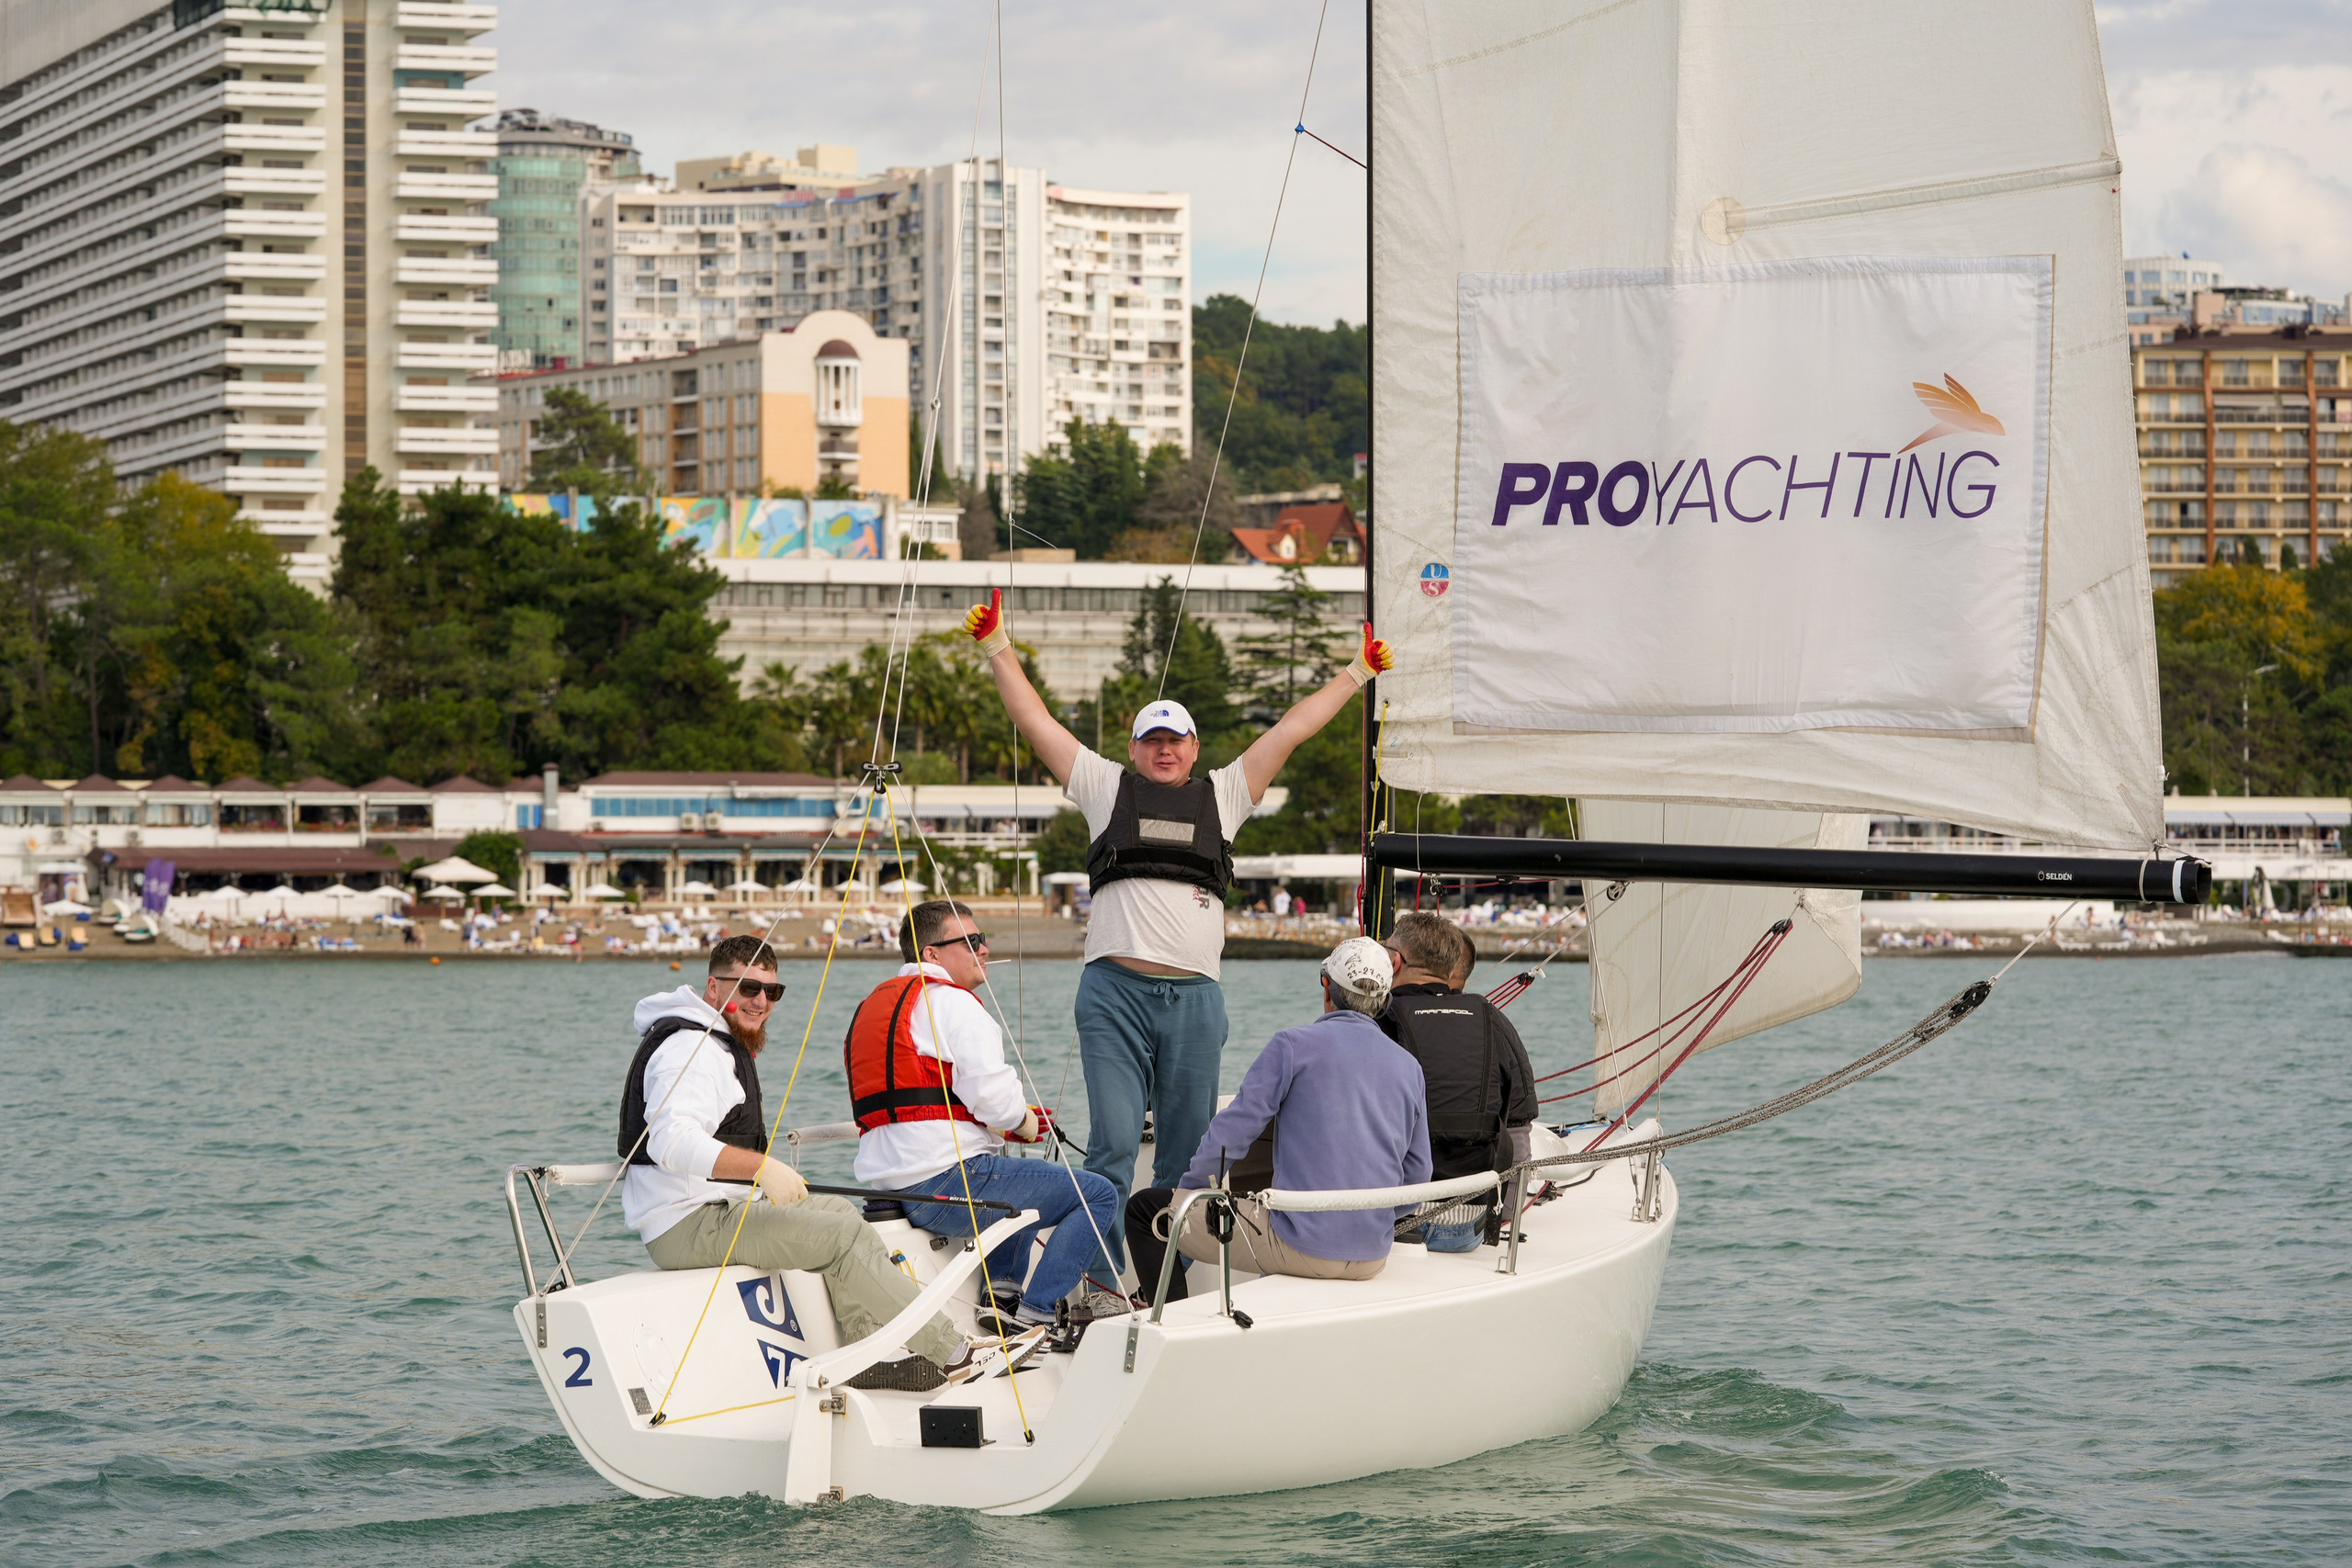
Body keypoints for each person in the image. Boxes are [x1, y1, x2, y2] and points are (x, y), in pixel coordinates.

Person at [962, 585, 1394, 1263]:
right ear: (1134, 750)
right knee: (1109, 1143)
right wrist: (997, 647)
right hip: (1114, 996)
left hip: (1194, 1001)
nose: (1165, 750)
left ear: (1195, 749)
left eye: (1176, 739)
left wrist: (1356, 674)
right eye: (1152, 739)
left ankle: (1166, 1281)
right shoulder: (1105, 787)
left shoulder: (1225, 793)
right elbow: (1036, 720)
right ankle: (1097, 1276)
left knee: (1190, 1151)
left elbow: (1291, 730)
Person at [621, 936, 1030, 1393]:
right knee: (839, 1237)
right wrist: (762, 1169)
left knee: (837, 1213)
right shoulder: (689, 1050)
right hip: (686, 1223)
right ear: (714, 987)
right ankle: (953, 1353)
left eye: (772, 992)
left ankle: (865, 1354)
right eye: (749, 988)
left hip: (712, 1209)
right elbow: (669, 1142)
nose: (761, 1002)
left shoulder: (716, 1041)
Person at [848, 899, 1123, 1334]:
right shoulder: (956, 1006)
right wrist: (1025, 1122)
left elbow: (930, 1096)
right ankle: (1038, 1312)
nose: (985, 949)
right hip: (944, 1184)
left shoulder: (872, 1007)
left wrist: (1006, 1121)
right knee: (1098, 1195)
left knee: (1011, 1178)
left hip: (893, 1187)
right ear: (932, 954)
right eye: (972, 941)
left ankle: (1001, 1297)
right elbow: (998, 1103)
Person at [1124, 937, 1430, 1300]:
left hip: (1300, 1247)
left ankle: (1170, 1324)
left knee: (1146, 1212)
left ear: (1327, 986)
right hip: (1373, 1255)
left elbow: (1232, 1132)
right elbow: (1418, 1174)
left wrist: (1188, 1195)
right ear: (1384, 1001)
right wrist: (1367, 1224)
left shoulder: (1292, 1045)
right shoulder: (1409, 1066)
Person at [1377, 913, 1541, 1252]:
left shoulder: (1375, 1019)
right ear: (1451, 969)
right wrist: (1505, 1216)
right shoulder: (1490, 1018)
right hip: (1469, 1225)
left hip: (1392, 1224)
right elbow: (1518, 1127)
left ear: (1394, 961)